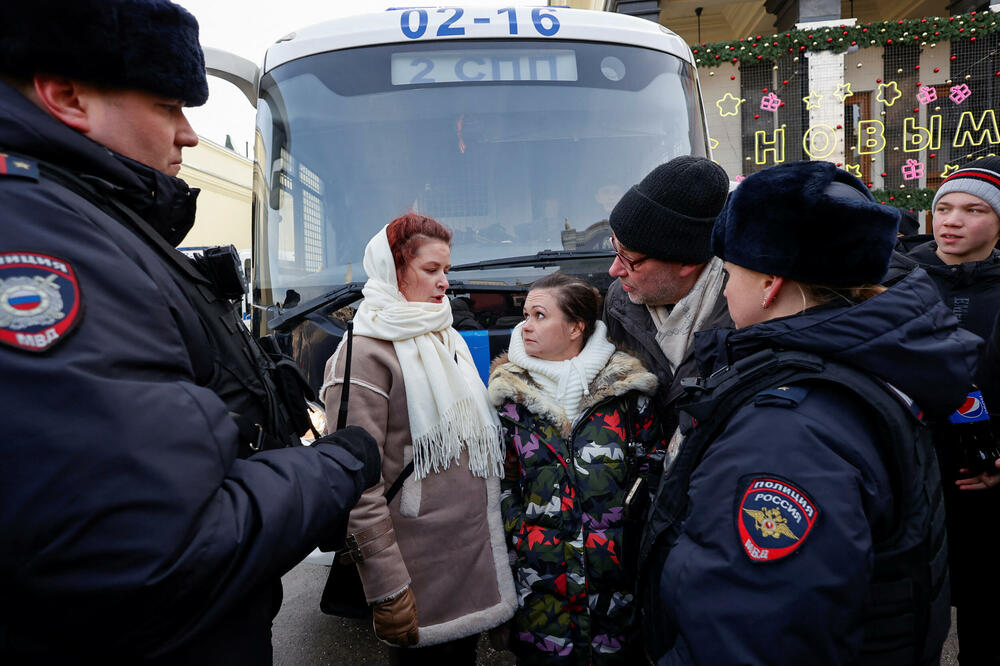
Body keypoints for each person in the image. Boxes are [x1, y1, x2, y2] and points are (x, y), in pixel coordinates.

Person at [0, 2, 381, 664]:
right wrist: (334, 466)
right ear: (67, 96)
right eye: (170, 106)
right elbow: (149, 554)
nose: (189, 136)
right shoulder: (43, 247)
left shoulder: (84, 218)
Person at [642, 160, 980, 664]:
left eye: (731, 273)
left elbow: (755, 634)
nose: (726, 289)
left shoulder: (784, 430)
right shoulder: (864, 357)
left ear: (771, 283)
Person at [320, 214, 516, 664]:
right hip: (417, 569)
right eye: (431, 271)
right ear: (393, 269)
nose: (445, 282)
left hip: (471, 554)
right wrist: (387, 586)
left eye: (446, 270)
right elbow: (355, 481)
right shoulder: (363, 353)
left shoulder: (446, 333)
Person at [488, 272, 663, 664]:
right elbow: (499, 481)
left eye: (539, 315)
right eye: (525, 315)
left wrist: (627, 539)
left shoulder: (626, 392)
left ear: (575, 327)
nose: (525, 326)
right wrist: (523, 533)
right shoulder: (508, 399)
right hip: (542, 598)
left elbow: (655, 472)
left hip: (617, 602)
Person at [887, 157, 1000, 664]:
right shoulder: (894, 283)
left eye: (973, 209)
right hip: (910, 481)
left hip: (986, 488)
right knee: (908, 622)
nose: (952, 220)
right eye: (944, 207)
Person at [603, 156, 732, 439]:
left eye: (628, 258)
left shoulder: (747, 316)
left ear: (686, 262)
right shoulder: (618, 303)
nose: (614, 270)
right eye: (614, 247)